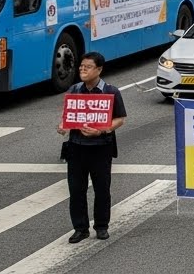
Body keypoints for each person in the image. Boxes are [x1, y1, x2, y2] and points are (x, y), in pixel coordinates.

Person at [56, 52, 127, 243]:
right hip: (76, 148)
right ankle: (80, 228)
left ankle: (101, 226)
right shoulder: (74, 90)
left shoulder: (111, 92)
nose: (82, 70)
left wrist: (101, 130)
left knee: (102, 189)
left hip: (101, 148)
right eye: (81, 67)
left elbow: (120, 119)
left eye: (87, 67)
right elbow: (66, 116)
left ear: (99, 69)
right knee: (76, 190)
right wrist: (63, 126)